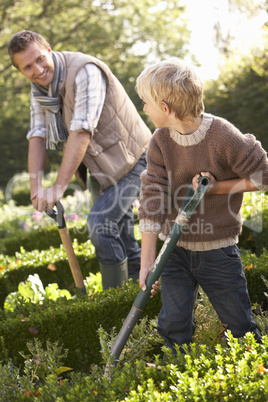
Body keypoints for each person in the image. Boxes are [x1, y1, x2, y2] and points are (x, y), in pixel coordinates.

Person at [135, 57, 268, 352]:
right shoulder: (159, 142)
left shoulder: (222, 136)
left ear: (165, 108)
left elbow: (263, 177)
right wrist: (148, 263)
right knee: (173, 323)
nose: (143, 108)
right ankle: (179, 376)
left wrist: (217, 188)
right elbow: (152, 200)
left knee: (239, 323)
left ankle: (257, 371)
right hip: (175, 250)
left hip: (218, 250)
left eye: (145, 102)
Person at [8, 30, 152, 290]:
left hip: (134, 158)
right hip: (101, 169)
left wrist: (59, 187)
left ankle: (114, 302)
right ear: (21, 71)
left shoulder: (85, 71)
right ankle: (143, 298)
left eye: (40, 59)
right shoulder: (39, 91)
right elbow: (38, 136)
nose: (37, 70)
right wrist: (36, 187)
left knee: (100, 224)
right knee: (123, 241)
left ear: (49, 49)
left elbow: (82, 130)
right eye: (27, 67)